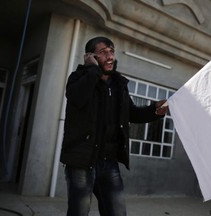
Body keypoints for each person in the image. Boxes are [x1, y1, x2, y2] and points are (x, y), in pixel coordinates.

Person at [60, 36, 168, 216]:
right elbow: (77, 98)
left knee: (117, 212)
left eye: (112, 51)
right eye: (103, 52)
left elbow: (131, 113)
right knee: (78, 212)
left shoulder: (119, 85)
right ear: (91, 57)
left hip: (108, 163)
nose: (110, 56)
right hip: (81, 161)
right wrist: (92, 69)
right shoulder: (78, 78)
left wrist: (154, 110)